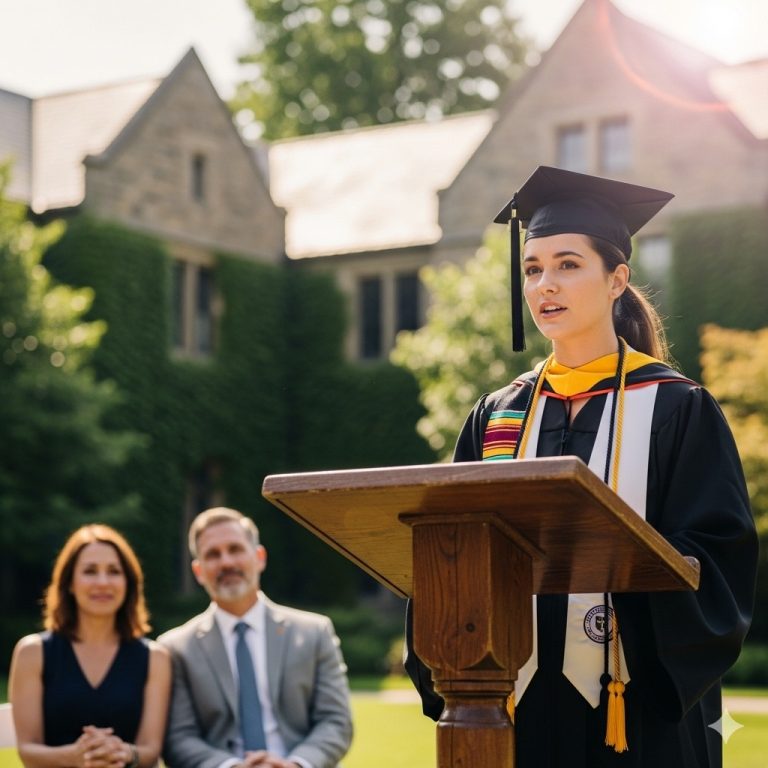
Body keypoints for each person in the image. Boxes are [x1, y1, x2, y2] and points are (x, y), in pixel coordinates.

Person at [404, 166, 758, 767]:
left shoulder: (675, 407)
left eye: (568, 264)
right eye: (533, 268)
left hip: (634, 705)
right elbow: (448, 552)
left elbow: (717, 558)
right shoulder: (498, 416)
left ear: (617, 278)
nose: (546, 284)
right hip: (512, 707)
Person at [159, 506, 353, 768]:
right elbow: (179, 738)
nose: (226, 562)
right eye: (213, 554)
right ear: (198, 571)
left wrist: (295, 764)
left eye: (235, 549)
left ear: (259, 557)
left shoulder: (314, 633)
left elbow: (336, 721)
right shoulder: (176, 648)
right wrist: (232, 767)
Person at [9, 524, 172, 768]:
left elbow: (150, 750)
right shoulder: (32, 653)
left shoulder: (155, 658)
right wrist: (76, 755)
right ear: (70, 584)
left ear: (128, 583)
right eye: (90, 571)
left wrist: (123, 752)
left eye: (114, 571)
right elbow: (28, 749)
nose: (103, 582)